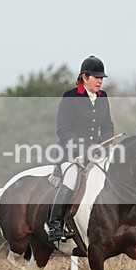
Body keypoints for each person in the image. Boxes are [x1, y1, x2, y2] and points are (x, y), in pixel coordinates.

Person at [46, 55, 115, 242]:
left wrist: (107, 143)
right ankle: (54, 225)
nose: (100, 81)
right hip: (70, 154)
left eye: (102, 78)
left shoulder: (103, 97)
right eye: (96, 77)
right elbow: (63, 130)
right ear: (84, 77)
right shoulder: (70, 96)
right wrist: (83, 148)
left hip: (95, 154)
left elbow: (108, 125)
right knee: (71, 177)